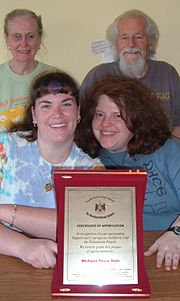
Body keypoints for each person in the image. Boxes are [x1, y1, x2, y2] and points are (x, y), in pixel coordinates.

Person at [0, 70, 103, 269]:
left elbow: (83, 229)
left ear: (78, 112)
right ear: (34, 114)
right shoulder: (5, 149)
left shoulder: (93, 170)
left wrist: (3, 212)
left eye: (66, 104)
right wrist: (23, 247)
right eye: (46, 105)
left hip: (65, 266)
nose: (57, 114)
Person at [77, 75, 180, 271]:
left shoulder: (170, 150)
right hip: (114, 257)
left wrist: (177, 233)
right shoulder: (85, 158)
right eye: (99, 115)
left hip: (170, 252)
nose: (106, 124)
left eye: (118, 116)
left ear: (137, 118)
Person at [79, 9, 180, 138]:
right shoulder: (98, 76)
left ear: (150, 43)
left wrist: (168, 153)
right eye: (124, 37)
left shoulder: (167, 73)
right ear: (116, 44)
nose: (131, 44)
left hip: (161, 154)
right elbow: (81, 123)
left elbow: (178, 123)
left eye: (138, 37)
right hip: (108, 155)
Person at [0, 8, 56, 132]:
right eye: (17, 37)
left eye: (30, 36)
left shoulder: (54, 78)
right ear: (6, 38)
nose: (24, 43)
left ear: (40, 38)